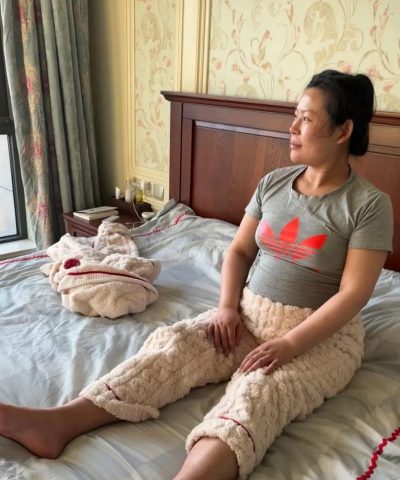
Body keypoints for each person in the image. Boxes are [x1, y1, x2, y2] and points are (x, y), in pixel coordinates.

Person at [0, 70, 393, 480]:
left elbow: (353, 294)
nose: (292, 127)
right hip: (249, 317)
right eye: (295, 115)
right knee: (176, 346)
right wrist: (227, 308)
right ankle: (59, 423)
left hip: (319, 339)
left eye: (307, 119)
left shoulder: (367, 205)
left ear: (343, 130)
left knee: (259, 391)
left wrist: (289, 345)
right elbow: (240, 251)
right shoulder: (274, 184)